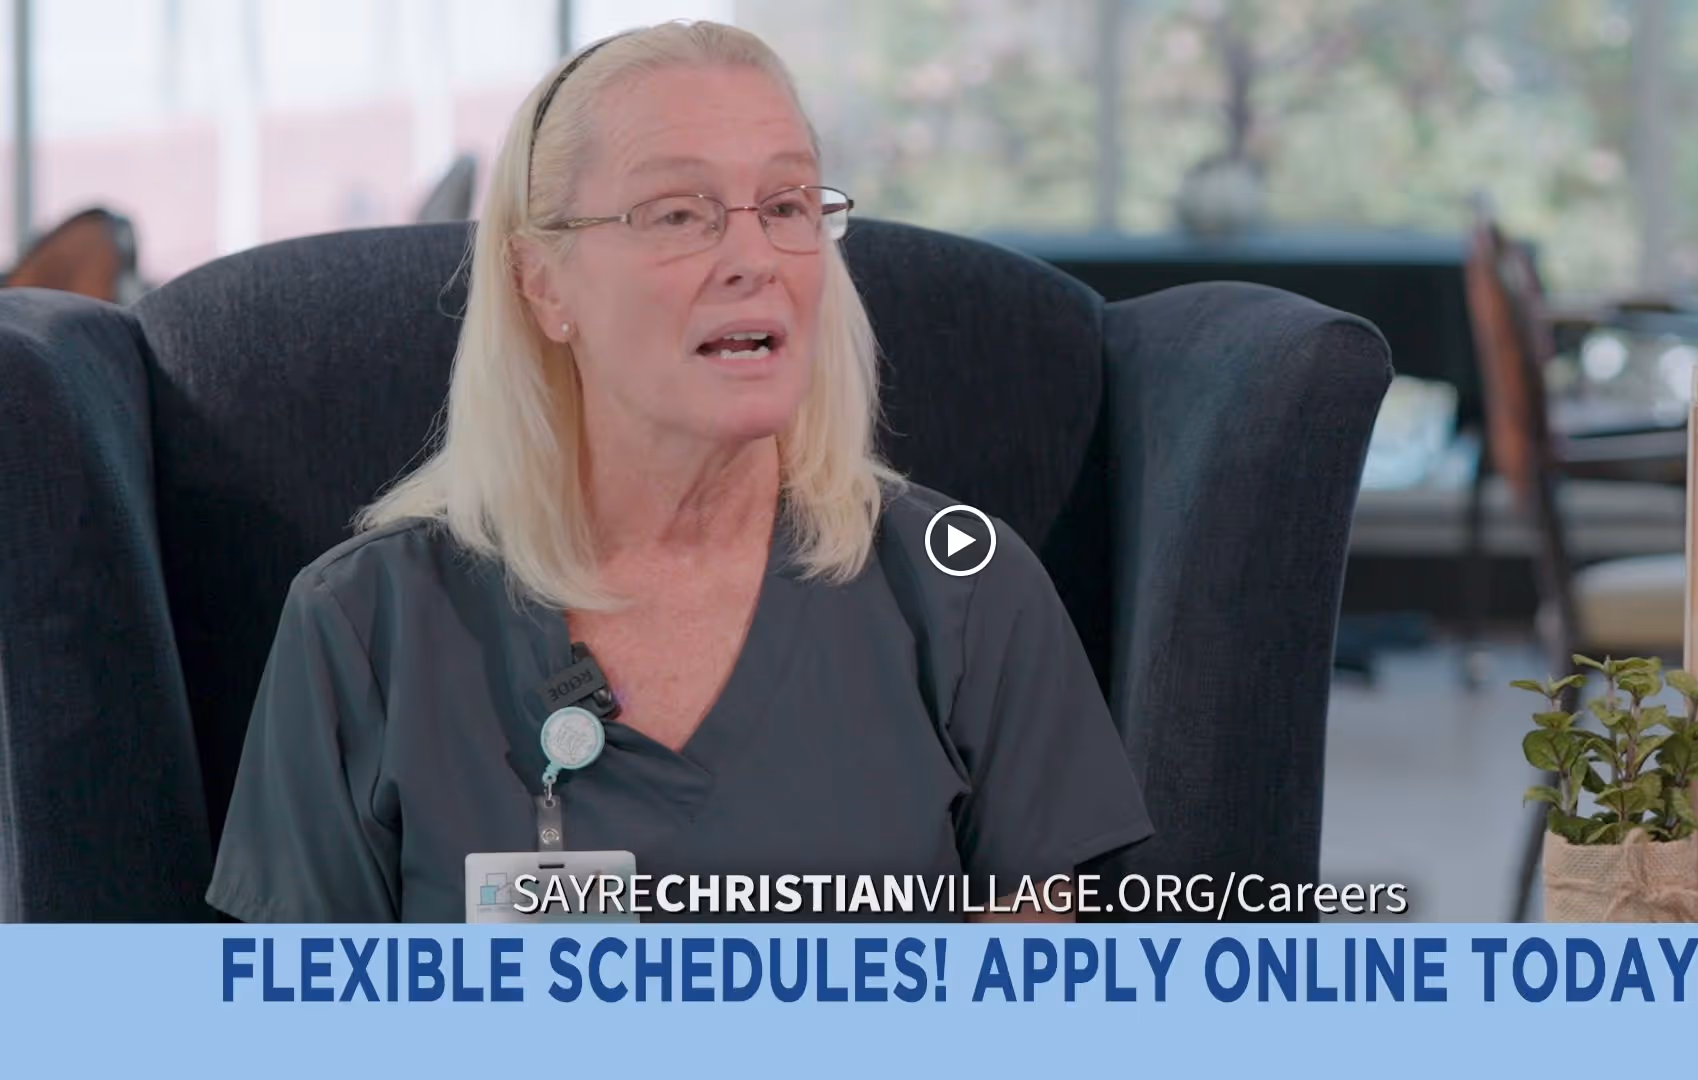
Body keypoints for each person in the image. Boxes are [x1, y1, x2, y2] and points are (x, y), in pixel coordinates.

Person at [204, 21, 1152, 923]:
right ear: (543, 283)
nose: (753, 258)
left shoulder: (967, 594)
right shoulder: (365, 624)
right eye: (679, 214)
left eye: (785, 207)